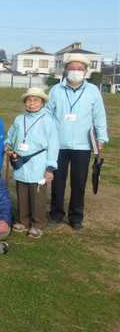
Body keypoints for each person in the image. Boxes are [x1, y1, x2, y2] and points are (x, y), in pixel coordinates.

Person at [46, 54, 108, 230]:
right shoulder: (56, 90)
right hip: (58, 144)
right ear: (66, 70)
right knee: (57, 181)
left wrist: (101, 137)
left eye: (80, 69)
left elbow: (99, 116)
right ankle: (56, 214)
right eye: (72, 68)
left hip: (83, 145)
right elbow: (48, 114)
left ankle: (76, 217)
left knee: (78, 182)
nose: (75, 72)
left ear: (86, 72)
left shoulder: (93, 91)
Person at [5, 88, 59, 238]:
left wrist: (50, 168)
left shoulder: (48, 120)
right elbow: (10, 135)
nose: (31, 103)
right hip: (20, 162)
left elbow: (54, 145)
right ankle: (23, 221)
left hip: (39, 162)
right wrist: (8, 144)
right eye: (28, 100)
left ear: (42, 102)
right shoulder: (19, 119)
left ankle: (37, 224)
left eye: (35, 100)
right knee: (22, 192)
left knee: (37, 195)